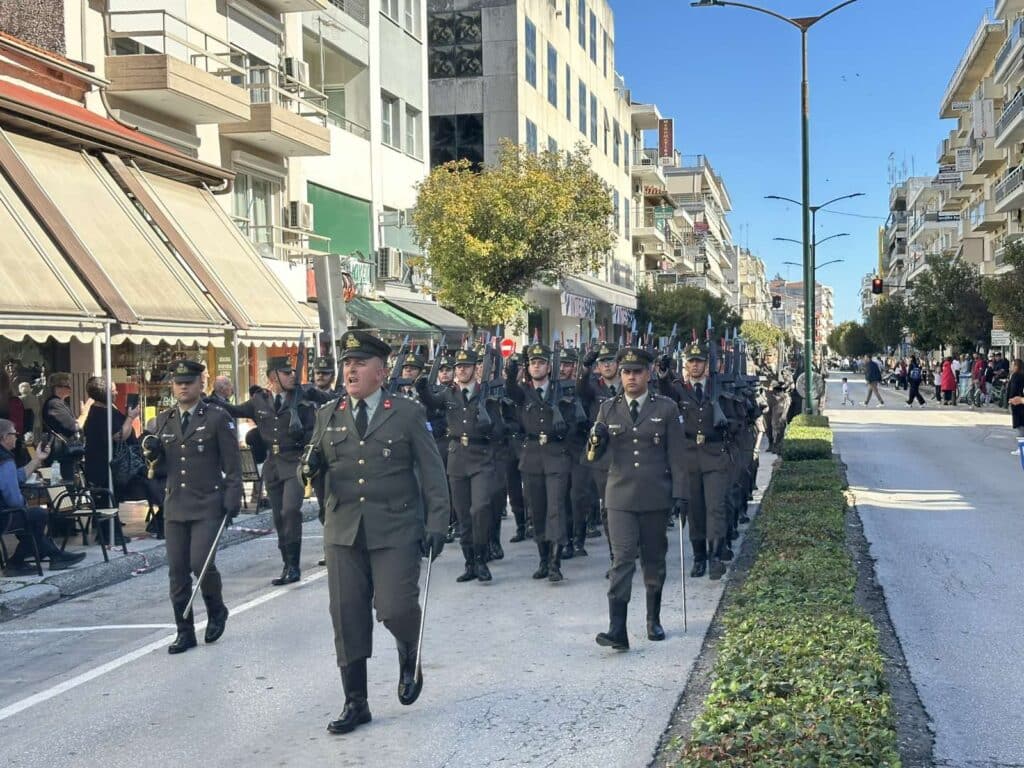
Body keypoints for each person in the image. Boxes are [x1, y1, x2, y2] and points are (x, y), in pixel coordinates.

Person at [302, 330, 449, 735]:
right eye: (347, 363)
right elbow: (314, 463)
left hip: (396, 526)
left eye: (360, 363)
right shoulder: (328, 414)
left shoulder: (406, 413)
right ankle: (356, 702)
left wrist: (438, 522)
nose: (350, 369)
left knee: (395, 606)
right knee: (347, 616)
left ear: (381, 372)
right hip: (343, 530)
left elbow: (433, 473)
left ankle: (408, 648)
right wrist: (310, 474)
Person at [588, 347, 687, 650]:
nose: (631, 377)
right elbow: (592, 456)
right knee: (622, 559)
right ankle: (617, 628)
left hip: (655, 495)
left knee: (654, 560)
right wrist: (597, 443)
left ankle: (652, 619)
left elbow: (678, 456)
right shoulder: (608, 408)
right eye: (626, 372)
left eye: (638, 371)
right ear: (620, 374)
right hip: (619, 496)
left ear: (649, 373)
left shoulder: (666, 408)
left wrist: (680, 493)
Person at [142, 361, 242, 654]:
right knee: (177, 571)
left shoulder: (216, 418)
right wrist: (153, 454)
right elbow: (156, 469)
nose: (183, 387)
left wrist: (233, 497)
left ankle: (216, 608)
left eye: (189, 382)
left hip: (207, 503)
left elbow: (233, 465)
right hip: (176, 504)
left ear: (200, 384)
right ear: (172, 386)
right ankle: (184, 631)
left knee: (200, 562)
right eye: (178, 382)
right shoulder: (164, 420)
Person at [224, 358, 332, 585]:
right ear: (273, 377)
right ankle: (288, 564)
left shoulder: (302, 397)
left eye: (293, 371)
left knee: (291, 510)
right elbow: (234, 410)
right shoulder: (259, 401)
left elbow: (318, 426)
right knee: (278, 517)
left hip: (295, 461)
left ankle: (294, 567)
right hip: (273, 465)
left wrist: (302, 432)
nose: (292, 375)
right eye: (286, 373)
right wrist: (212, 400)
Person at [417, 348, 501, 583]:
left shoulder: (486, 394)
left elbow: (501, 430)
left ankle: (482, 558)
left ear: (475, 369)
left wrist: (489, 425)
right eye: (458, 367)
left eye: (466, 366)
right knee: (464, 515)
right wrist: (422, 387)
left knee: (480, 508)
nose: (461, 370)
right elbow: (431, 402)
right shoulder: (448, 394)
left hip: (481, 457)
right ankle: (470, 562)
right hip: (457, 458)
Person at [658, 342, 734, 580]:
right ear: (685, 365)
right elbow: (664, 394)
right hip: (689, 456)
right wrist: (662, 373)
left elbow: (737, 416)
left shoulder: (719, 387)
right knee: (695, 511)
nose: (695, 365)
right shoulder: (679, 389)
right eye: (691, 361)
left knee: (716, 508)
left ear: (707, 364)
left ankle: (714, 557)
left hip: (714, 454)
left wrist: (726, 426)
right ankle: (699, 556)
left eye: (699, 361)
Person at [505, 343, 578, 583]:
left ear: (549, 366)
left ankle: (556, 563)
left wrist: (563, 429)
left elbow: (576, 421)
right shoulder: (523, 392)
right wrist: (510, 372)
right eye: (533, 363)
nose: (536, 366)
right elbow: (510, 392)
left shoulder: (563, 389)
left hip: (557, 454)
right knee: (537, 510)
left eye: (541, 362)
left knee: (555, 508)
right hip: (532, 456)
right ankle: (543, 559)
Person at [0, 421, 86, 574]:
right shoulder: (4, 460)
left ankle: (55, 556)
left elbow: (17, 476)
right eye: (14, 434)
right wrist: (25, 504)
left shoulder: (5, 460)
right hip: (3, 516)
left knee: (31, 520)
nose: (16, 438)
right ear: (5, 437)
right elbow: (13, 498)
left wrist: (37, 459)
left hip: (4, 514)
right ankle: (16, 563)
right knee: (38, 516)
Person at [41, 373, 82, 480]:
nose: (70, 388)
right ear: (57, 387)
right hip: (60, 452)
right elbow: (72, 426)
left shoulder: (59, 403)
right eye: (67, 386)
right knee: (65, 481)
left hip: (63, 450)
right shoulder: (54, 403)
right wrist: (85, 414)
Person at [1007, 359, 1024, 453]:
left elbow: (1013, 389)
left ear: (1016, 366)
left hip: (1017, 403)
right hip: (1020, 402)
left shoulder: (1015, 376)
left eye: (1012, 365)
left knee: (1020, 426)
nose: (1011, 367)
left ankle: (1021, 448)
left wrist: (1010, 399)